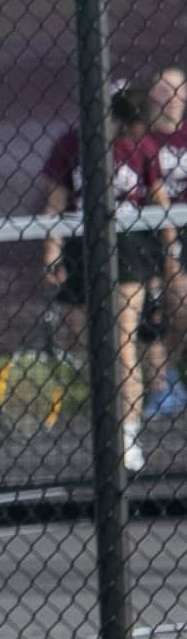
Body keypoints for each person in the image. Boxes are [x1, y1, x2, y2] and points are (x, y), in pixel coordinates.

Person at [39, 85, 166, 472]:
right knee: (86, 341)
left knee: (122, 342)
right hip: (80, 246)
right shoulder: (71, 144)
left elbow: (160, 202)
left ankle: (126, 436)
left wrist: (169, 255)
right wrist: (52, 251)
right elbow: (55, 201)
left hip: (127, 248)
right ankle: (108, 419)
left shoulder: (141, 146)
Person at [145, 65, 187, 417]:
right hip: (148, 233)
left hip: (184, 228)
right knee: (154, 309)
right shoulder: (141, 139)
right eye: (163, 89)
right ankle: (161, 384)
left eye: (177, 90)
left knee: (181, 310)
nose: (171, 98)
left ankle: (168, 375)